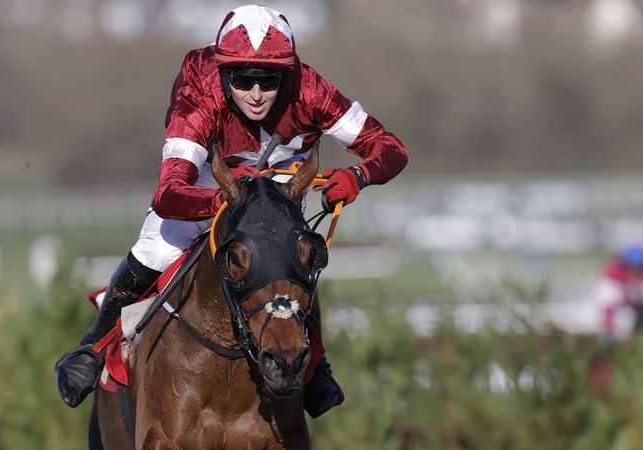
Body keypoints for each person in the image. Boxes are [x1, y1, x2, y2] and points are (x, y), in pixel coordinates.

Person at [55, 4, 408, 418]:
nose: (256, 95)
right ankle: (94, 346)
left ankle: (315, 365)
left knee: (292, 259)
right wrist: (228, 199)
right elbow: (169, 194)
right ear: (223, 73)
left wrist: (359, 175)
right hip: (210, 180)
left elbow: (391, 147)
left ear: (288, 73)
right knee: (156, 249)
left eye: (269, 81)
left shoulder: (310, 89)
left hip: (278, 185)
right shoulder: (198, 87)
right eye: (242, 80)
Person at [593, 243, 643, 342]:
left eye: (640, 267)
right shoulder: (613, 277)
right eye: (633, 267)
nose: (637, 271)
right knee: (623, 320)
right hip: (623, 316)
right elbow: (606, 307)